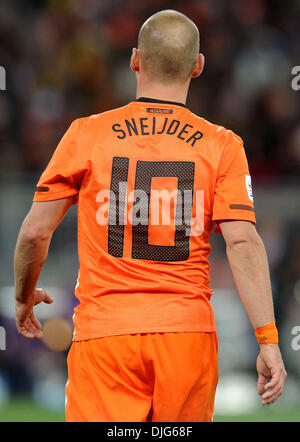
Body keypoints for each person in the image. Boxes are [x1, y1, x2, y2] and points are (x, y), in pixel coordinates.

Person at [14, 10, 287, 422]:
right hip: (187, 336)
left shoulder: (86, 134)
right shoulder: (223, 145)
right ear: (198, 66)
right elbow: (243, 243)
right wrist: (267, 340)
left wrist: (23, 296)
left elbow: (36, 232)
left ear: (135, 59)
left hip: (107, 335)